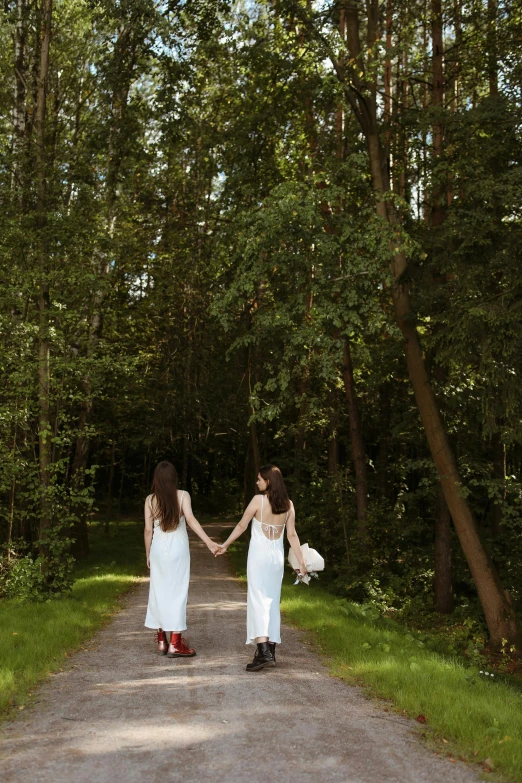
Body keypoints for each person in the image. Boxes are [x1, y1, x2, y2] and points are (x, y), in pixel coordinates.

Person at [216, 464, 308, 671]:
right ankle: (270, 650)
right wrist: (301, 563)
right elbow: (292, 535)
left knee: (258, 601)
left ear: (268, 481)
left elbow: (241, 526)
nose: (256, 482)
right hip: (276, 559)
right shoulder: (288, 505)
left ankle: (263, 651)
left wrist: (225, 545)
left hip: (258, 557)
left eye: (259, 479)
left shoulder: (258, 501)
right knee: (272, 601)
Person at [144, 460, 219, 657]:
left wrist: (148, 554)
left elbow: (148, 530)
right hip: (178, 548)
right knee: (177, 593)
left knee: (158, 591)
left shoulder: (150, 500)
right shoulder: (183, 495)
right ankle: (175, 643)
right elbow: (191, 520)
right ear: (173, 478)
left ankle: (162, 640)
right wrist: (209, 542)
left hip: (158, 548)